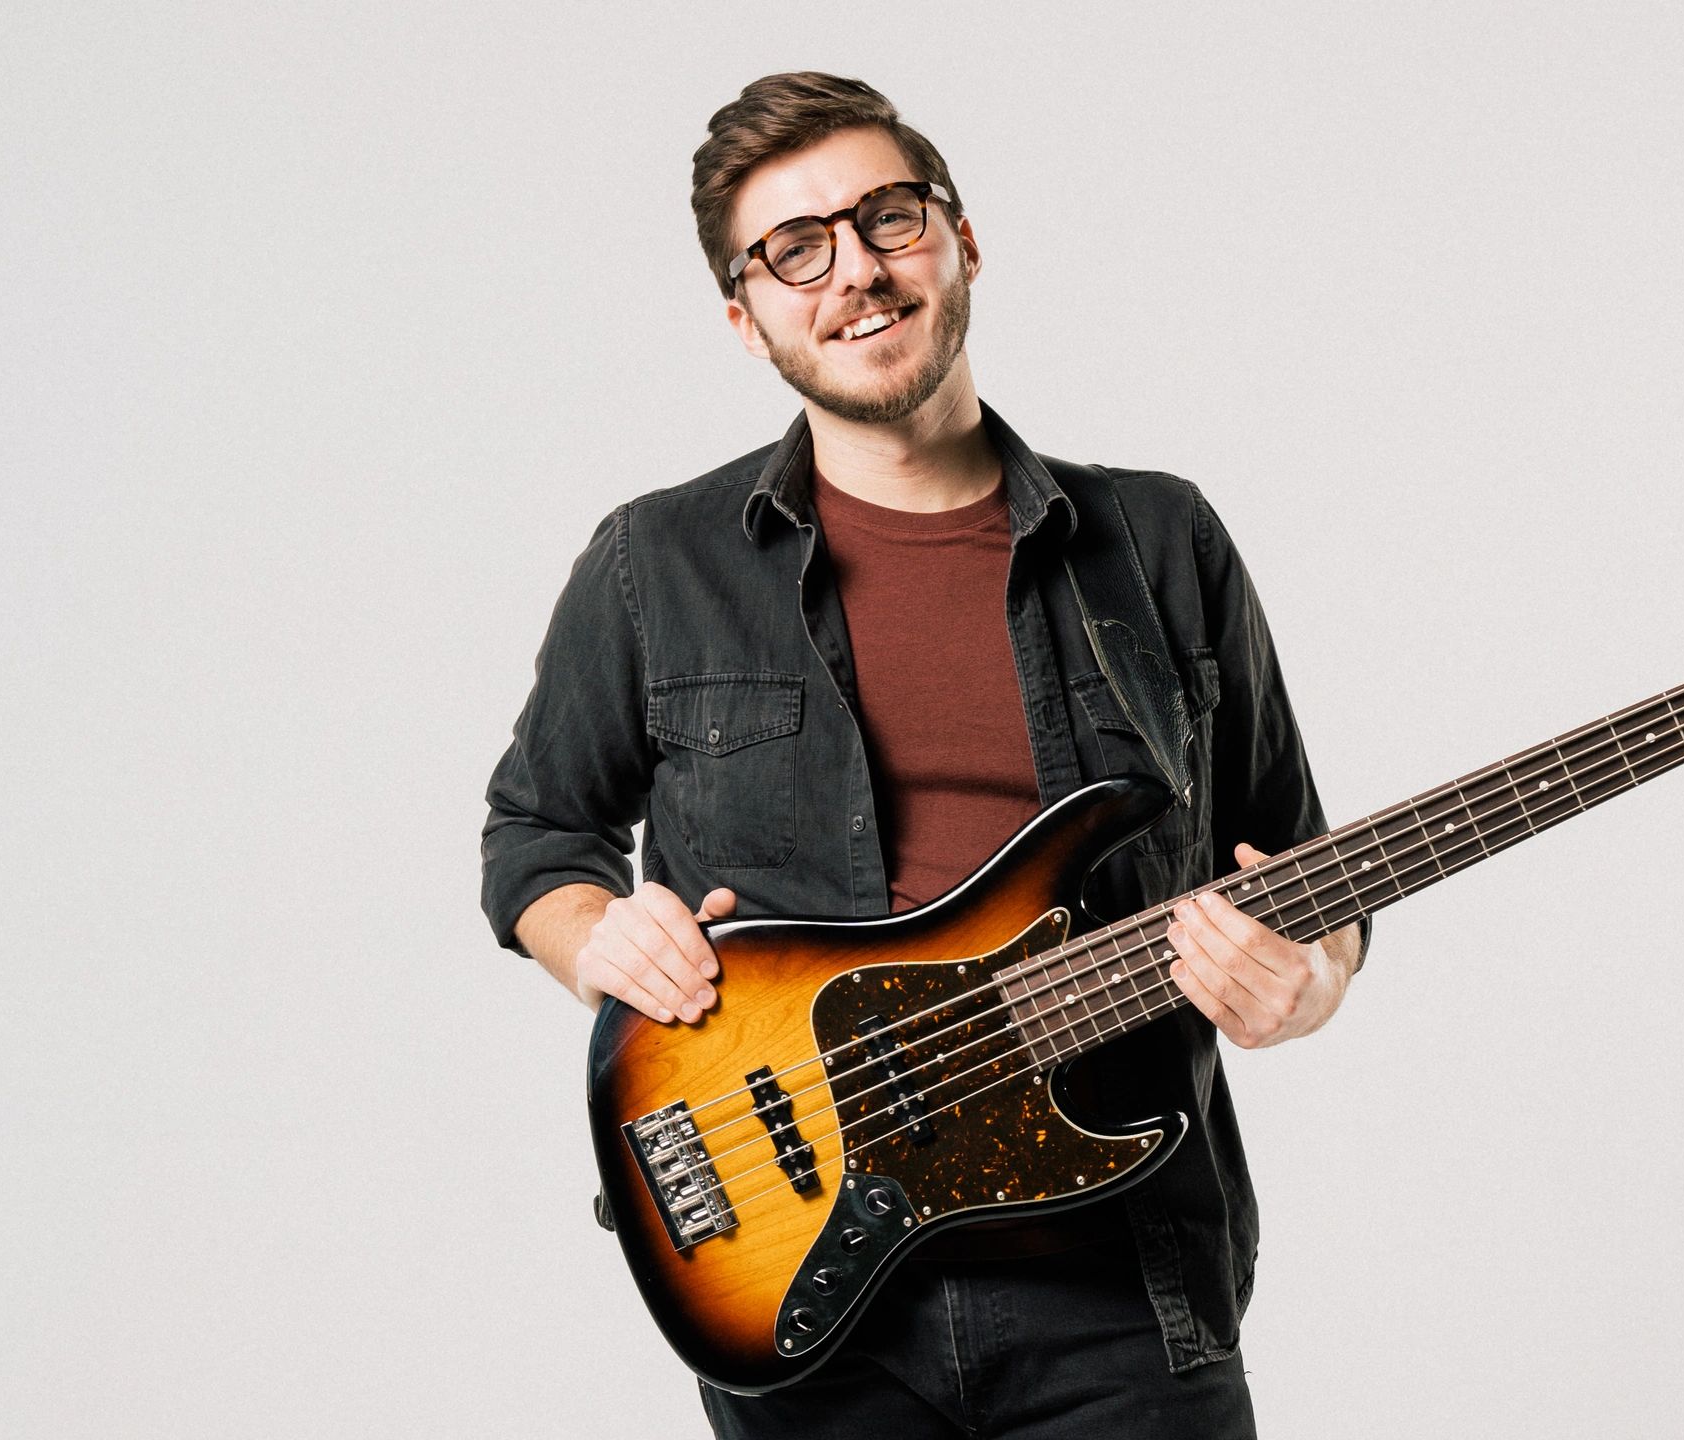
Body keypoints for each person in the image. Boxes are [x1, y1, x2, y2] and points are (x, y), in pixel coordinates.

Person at [479, 72, 1366, 1439]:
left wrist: (1305, 983)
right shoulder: (657, 564)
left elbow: (1304, 862)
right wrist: (597, 936)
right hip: (797, 1282)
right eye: (795, 250)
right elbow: (535, 838)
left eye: (887, 218)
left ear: (960, 238)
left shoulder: (1160, 540)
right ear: (746, 313)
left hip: (1125, 1283)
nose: (855, 273)